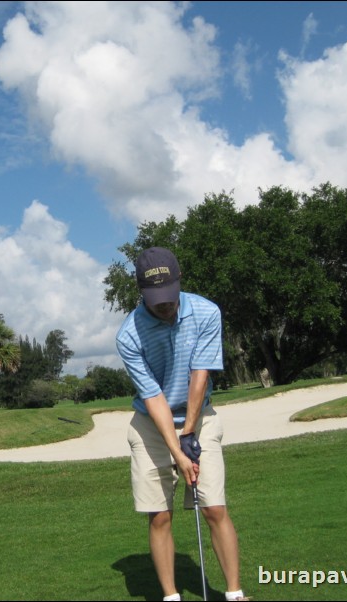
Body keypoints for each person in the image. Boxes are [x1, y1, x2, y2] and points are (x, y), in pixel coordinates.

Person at [115, 246, 249, 602]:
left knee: (214, 506)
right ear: (141, 293)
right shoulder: (128, 335)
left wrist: (189, 433)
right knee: (159, 515)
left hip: (199, 418)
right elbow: (153, 397)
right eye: (157, 300)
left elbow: (198, 375)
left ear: (179, 282)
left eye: (170, 297)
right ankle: (171, 597)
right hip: (150, 426)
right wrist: (176, 449)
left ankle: (235, 594)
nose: (166, 306)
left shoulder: (206, 312)